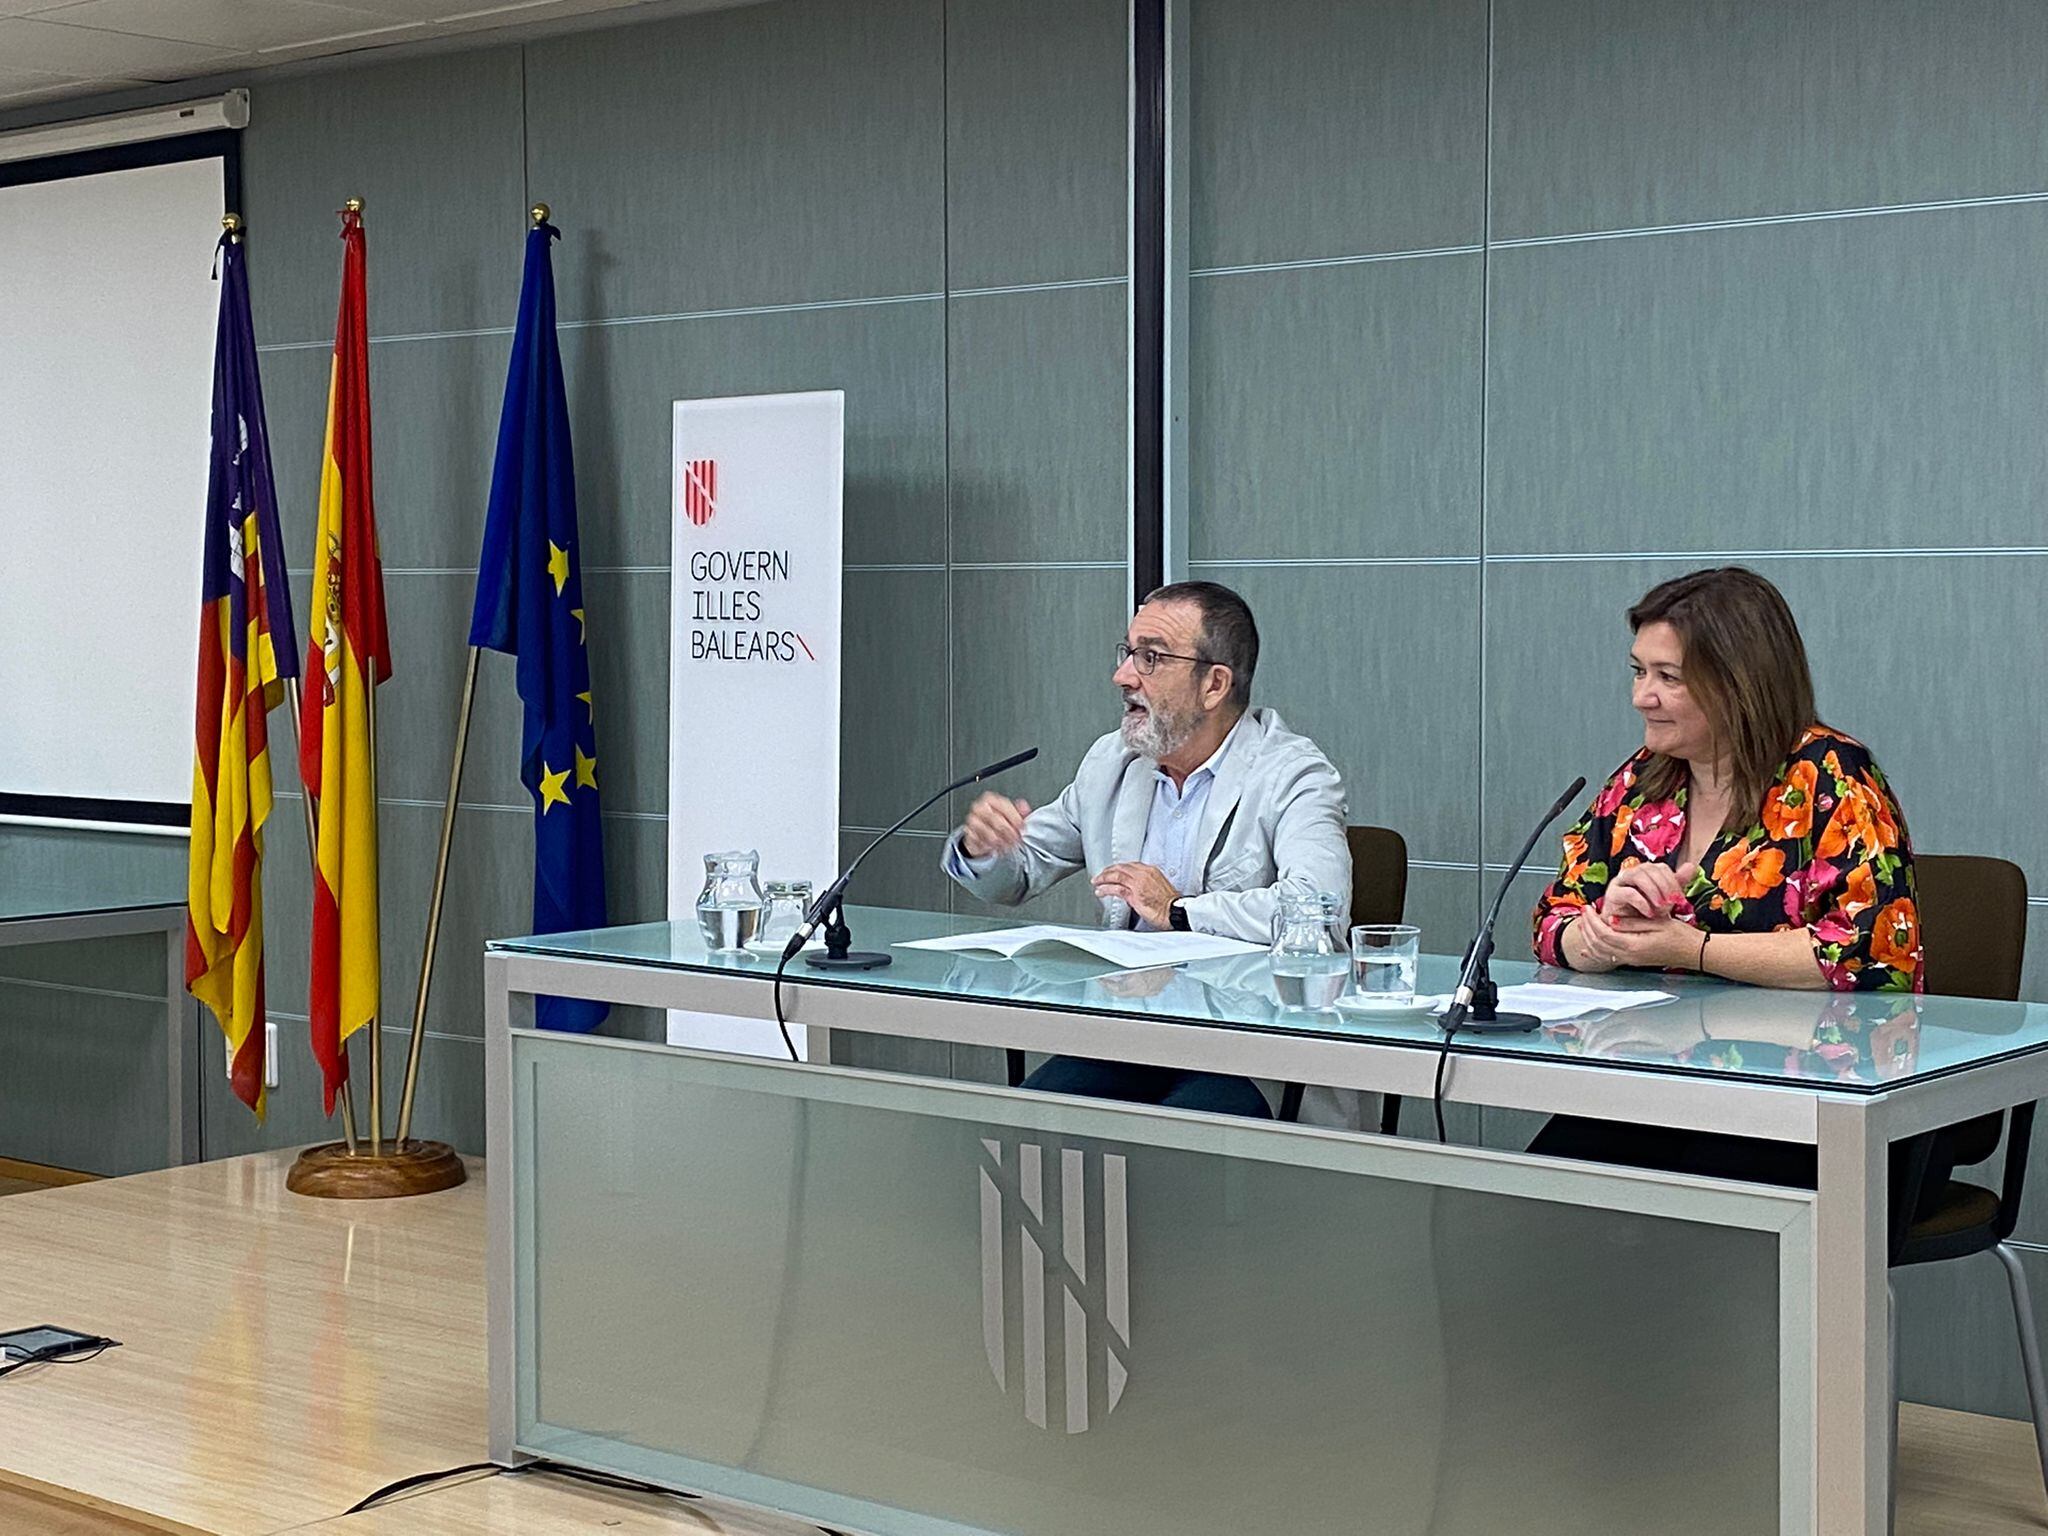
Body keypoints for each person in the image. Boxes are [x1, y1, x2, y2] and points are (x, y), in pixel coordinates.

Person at [1526, 566, 1923, 1183]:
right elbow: (1554, 920)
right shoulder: (1641, 780)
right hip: (1658, 1086)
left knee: (1687, 1223)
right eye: (1638, 671)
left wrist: (1697, 948)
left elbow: (1868, 957)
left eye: (1668, 678)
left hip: (1814, 1097)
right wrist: (1604, 931)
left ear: (1739, 683)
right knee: (1540, 1197)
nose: (1641, 696)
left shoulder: (1832, 776)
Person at [943, 580, 1350, 1119]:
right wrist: (983, 847)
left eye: (1151, 658)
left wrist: (1179, 910)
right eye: (1128, 653)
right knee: (1029, 1124)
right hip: (1127, 1038)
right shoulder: (1112, 763)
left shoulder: (1294, 775)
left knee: (1176, 1152)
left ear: (1214, 685)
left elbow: (1318, 913)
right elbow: (1019, 874)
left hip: (1251, 1051)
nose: (1123, 675)